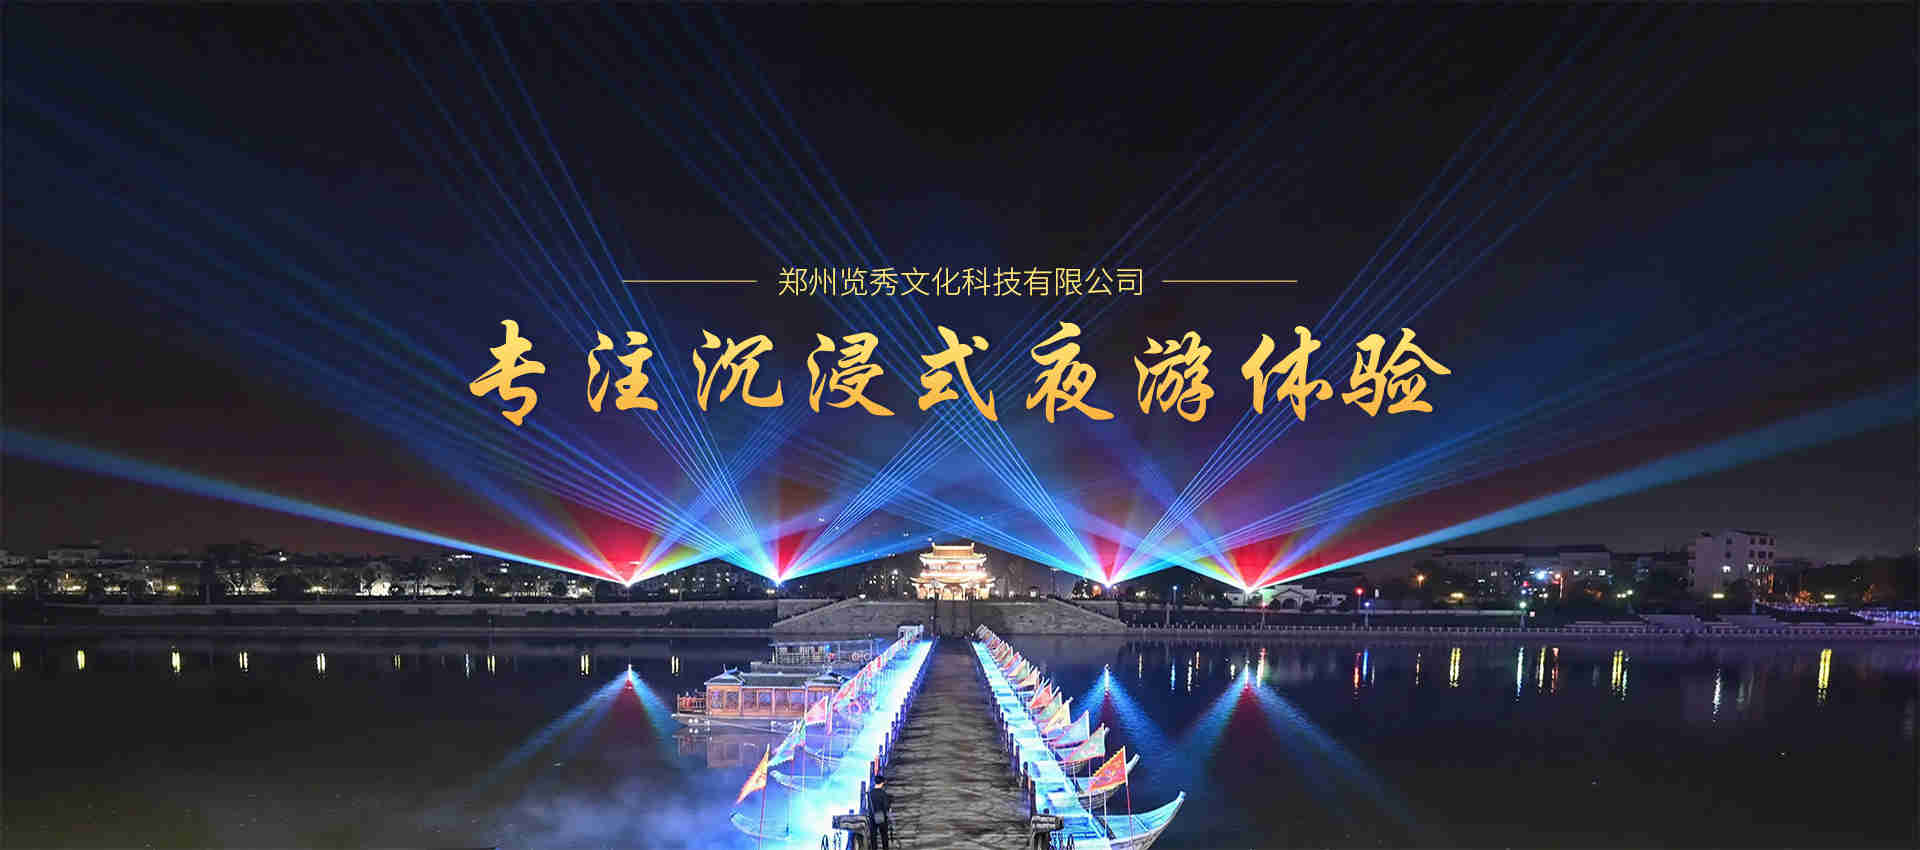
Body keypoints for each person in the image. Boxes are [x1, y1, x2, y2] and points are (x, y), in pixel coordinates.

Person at [868, 774, 893, 850]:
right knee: (884, 836)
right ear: (882, 783)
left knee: (873, 836)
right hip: (881, 816)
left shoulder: (870, 793)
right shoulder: (883, 793)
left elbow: (869, 806)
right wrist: (889, 809)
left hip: (872, 816)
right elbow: (886, 806)